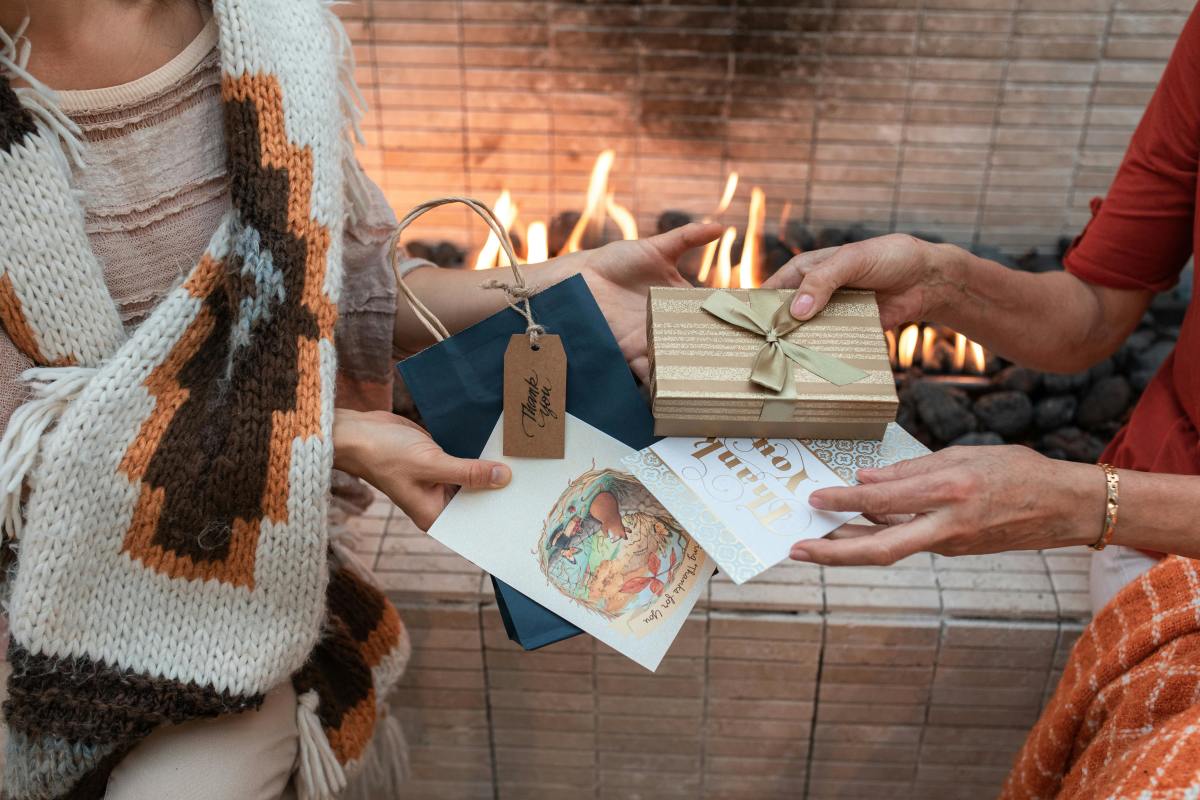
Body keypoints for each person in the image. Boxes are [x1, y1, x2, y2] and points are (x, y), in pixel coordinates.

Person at [0, 2, 719, 799]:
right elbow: (21, 442)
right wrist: (329, 439)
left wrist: (555, 284)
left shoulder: (268, 33)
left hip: (213, 578)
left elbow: (346, 291)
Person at [765, 6, 1199, 797]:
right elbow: (1097, 310)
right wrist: (940, 279)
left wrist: (1084, 501)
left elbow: (1086, 501)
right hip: (1170, 502)